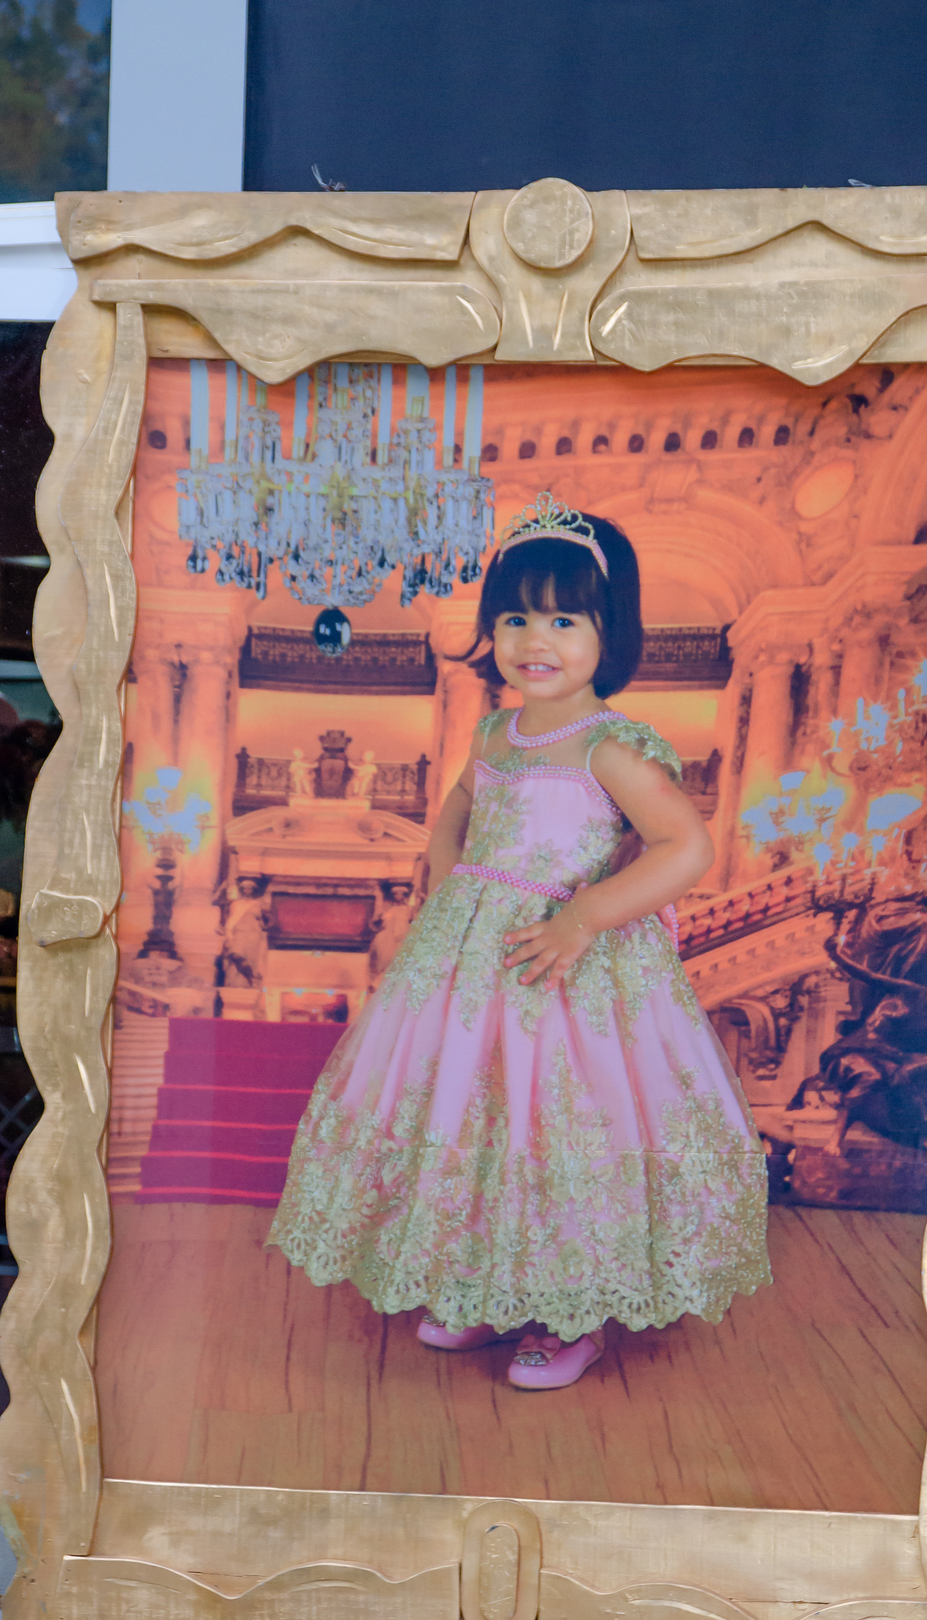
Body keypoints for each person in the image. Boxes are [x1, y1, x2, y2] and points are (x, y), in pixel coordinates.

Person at [268, 493, 771, 1389]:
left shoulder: (610, 745)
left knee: (555, 1126)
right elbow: (458, 808)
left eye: (563, 620)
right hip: (472, 966)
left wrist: (584, 916)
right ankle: (481, 1283)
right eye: (515, 619)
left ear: (609, 632)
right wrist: (449, 883)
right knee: (471, 1112)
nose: (535, 640)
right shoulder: (496, 731)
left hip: (564, 969)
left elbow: (685, 847)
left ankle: (568, 1311)